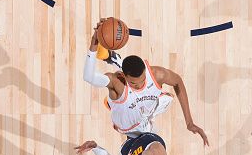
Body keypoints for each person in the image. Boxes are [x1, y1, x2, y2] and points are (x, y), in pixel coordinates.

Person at [82, 20, 210, 144]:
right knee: (160, 102)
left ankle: (117, 63)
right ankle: (115, 76)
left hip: (143, 115)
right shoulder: (116, 82)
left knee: (165, 100)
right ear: (123, 76)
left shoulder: (156, 74)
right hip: (125, 125)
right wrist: (95, 40)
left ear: (146, 72)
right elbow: (88, 77)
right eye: (133, 83)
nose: (139, 85)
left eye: (142, 80)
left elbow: (177, 81)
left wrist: (189, 122)